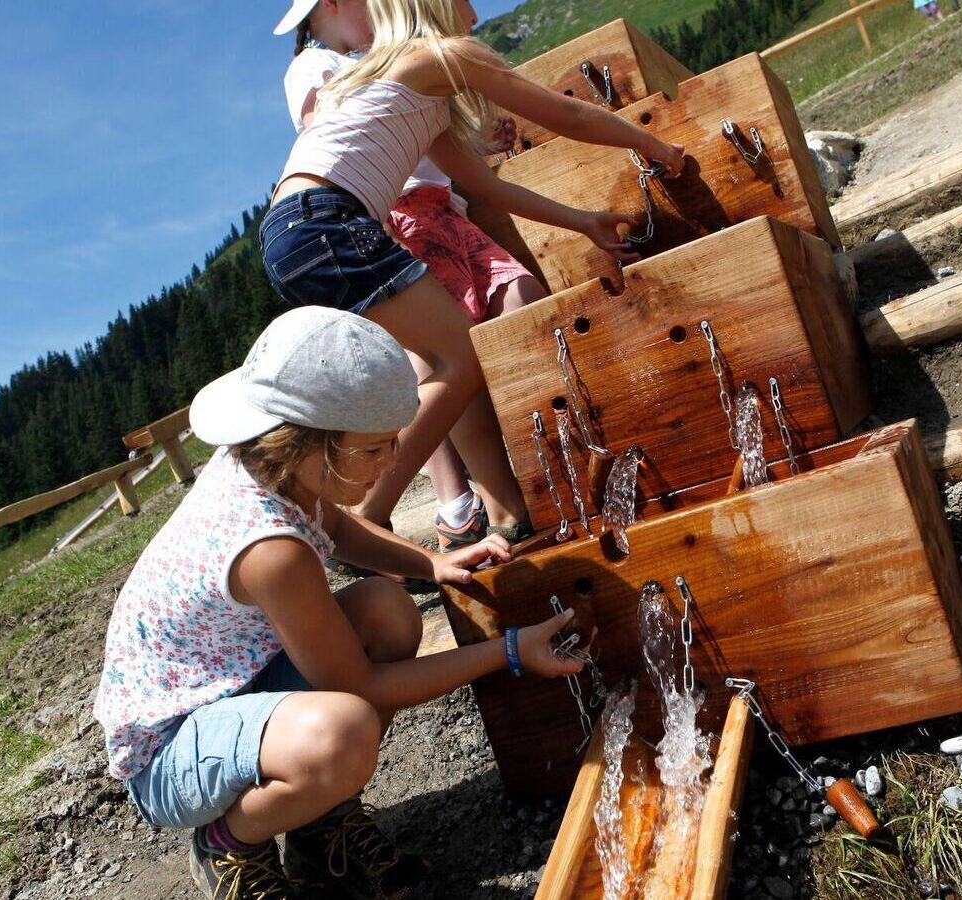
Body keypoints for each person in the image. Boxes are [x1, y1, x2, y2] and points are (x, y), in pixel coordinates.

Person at [94, 307, 585, 900]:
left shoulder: (275, 465)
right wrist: (508, 650)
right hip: (169, 749)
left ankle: (316, 824)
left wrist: (430, 562)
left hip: (232, 684)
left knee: (388, 609)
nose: (393, 461)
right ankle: (229, 843)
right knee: (343, 732)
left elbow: (339, 526)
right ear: (308, 442)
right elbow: (366, 686)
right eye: (376, 449)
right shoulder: (270, 550)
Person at [259, 0, 684, 559]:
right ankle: (360, 516)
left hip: (294, 229)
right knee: (458, 356)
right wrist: (651, 144)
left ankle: (377, 508)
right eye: (465, 1)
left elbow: (489, 189)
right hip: (329, 221)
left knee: (447, 357)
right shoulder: (439, 56)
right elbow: (568, 116)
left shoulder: (412, 91)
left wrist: (582, 222)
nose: (478, 15)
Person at [278, 0, 549, 553]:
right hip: (385, 215)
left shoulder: (366, 62)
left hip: (420, 209)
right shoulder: (315, 65)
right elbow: (339, 137)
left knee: (466, 346)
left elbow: (413, 140)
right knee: (449, 360)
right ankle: (373, 514)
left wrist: (471, 142)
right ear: (329, 5)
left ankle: (495, 496)